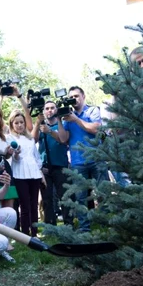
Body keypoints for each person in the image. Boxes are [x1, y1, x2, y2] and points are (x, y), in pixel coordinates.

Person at [57, 86, 108, 232]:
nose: (74, 99)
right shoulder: (68, 117)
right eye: (71, 97)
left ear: (83, 96)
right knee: (80, 197)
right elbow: (63, 139)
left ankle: (105, 225)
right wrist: (59, 120)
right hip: (78, 162)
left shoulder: (92, 111)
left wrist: (76, 119)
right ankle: (85, 228)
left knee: (102, 193)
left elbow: (96, 129)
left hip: (96, 158)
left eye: (76, 96)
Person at [8, 109, 44, 237]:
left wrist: (40, 173)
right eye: (16, 123)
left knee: (34, 204)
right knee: (24, 205)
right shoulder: (9, 138)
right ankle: (25, 234)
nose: (19, 125)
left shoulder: (30, 139)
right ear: (12, 124)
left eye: (21, 122)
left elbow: (36, 157)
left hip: (34, 174)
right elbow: (13, 159)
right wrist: (16, 154)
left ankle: (34, 233)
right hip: (20, 174)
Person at [36, 101, 71, 225]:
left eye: (52, 108)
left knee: (65, 196)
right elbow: (33, 139)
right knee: (47, 198)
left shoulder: (62, 125)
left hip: (60, 165)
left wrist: (50, 131)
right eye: (47, 108)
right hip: (45, 167)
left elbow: (63, 140)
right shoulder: (40, 127)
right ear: (44, 111)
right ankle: (50, 224)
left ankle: (69, 223)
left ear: (56, 110)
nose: (49, 110)